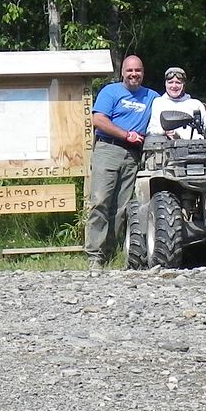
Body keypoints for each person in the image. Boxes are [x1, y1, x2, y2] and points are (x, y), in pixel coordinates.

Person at [84, 54, 158, 269]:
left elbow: (171, 105)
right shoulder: (111, 91)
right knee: (100, 201)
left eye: (138, 70)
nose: (134, 74)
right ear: (122, 72)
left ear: (143, 73)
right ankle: (94, 256)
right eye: (130, 70)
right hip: (108, 150)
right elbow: (98, 120)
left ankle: (109, 253)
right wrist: (126, 135)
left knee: (121, 208)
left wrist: (202, 108)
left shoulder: (152, 96)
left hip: (133, 155)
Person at [148, 66, 206, 141]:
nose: (174, 86)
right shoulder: (158, 103)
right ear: (165, 84)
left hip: (194, 145)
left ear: (184, 84)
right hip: (166, 146)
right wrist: (165, 131)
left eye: (178, 83)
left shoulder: (195, 104)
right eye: (170, 82)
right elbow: (151, 131)